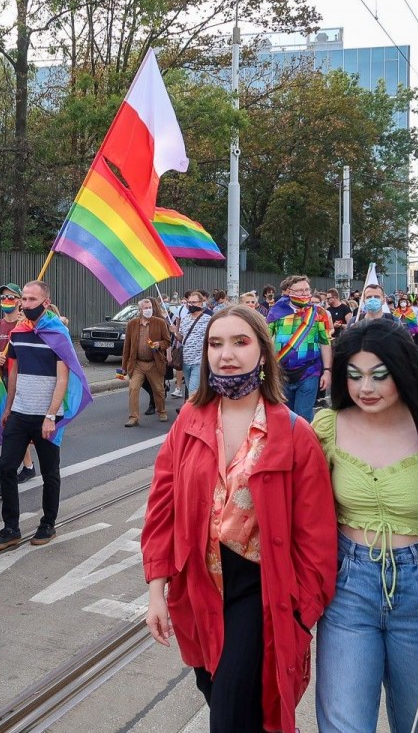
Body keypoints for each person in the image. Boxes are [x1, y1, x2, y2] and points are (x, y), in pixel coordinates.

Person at [141, 306, 338, 733]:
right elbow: (162, 508)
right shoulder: (189, 420)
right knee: (220, 694)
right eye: (216, 343)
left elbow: (317, 538)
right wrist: (157, 589)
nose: (225, 354)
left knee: (231, 716)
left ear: (263, 354)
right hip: (196, 588)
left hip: (259, 591)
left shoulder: (294, 433)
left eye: (240, 342)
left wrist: (298, 613)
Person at [312, 320, 418, 733]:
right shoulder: (327, 429)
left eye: (379, 375)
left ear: (404, 371)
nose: (365, 387)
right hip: (347, 587)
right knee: (342, 723)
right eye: (353, 375)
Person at [0, 280, 91, 552]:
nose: (25, 304)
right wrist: (8, 407)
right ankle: (10, 528)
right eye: (23, 298)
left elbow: (62, 377)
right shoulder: (18, 332)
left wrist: (50, 415)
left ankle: (48, 523)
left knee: (50, 472)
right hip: (20, 412)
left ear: (46, 303)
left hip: (46, 416)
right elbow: (14, 372)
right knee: (6, 467)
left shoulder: (58, 333)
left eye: (32, 299)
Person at [266, 275, 333, 422]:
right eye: (300, 291)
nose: (305, 294)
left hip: (309, 371)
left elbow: (325, 342)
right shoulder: (276, 312)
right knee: (284, 416)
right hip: (282, 373)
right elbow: (265, 339)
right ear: (289, 291)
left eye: (307, 290)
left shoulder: (319, 313)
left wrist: (327, 371)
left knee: (303, 417)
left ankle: (305, 444)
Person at [0, 283, 35, 485]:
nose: (6, 301)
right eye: (3, 297)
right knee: (10, 426)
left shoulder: (26, 324)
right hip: (2, 381)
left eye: (11, 297)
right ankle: (28, 466)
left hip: (22, 380)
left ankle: (12, 471)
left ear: (20, 301)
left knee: (14, 428)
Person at [122, 296, 172, 427]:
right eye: (145, 308)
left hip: (154, 363)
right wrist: (124, 366)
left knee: (159, 390)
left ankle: (161, 411)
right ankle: (133, 417)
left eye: (150, 308)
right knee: (133, 388)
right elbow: (127, 346)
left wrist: (159, 344)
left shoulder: (159, 322)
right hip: (137, 363)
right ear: (140, 310)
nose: (148, 310)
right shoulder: (132, 324)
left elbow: (168, 341)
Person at [175, 290, 212, 398]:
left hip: (199, 362)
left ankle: (191, 413)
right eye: (189, 302)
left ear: (201, 303)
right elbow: (182, 338)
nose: (191, 305)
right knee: (191, 390)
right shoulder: (185, 319)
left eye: (194, 302)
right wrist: (175, 333)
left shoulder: (208, 319)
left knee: (193, 391)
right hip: (186, 361)